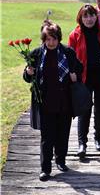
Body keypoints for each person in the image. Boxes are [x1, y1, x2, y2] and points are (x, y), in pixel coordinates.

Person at [23, 20, 82, 181]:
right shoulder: (36, 54)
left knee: (63, 134)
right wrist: (29, 72)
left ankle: (61, 161)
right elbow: (27, 77)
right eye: (48, 39)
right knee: (47, 137)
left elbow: (79, 68)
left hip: (65, 101)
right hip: (45, 102)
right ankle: (45, 168)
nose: (51, 42)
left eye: (54, 39)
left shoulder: (67, 52)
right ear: (43, 39)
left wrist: (75, 75)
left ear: (59, 38)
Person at [68, 4, 100, 159]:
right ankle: (82, 143)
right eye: (85, 16)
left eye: (92, 15)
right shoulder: (75, 35)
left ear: (96, 16)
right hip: (83, 78)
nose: (89, 19)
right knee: (84, 110)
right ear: (81, 18)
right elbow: (70, 57)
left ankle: (98, 138)